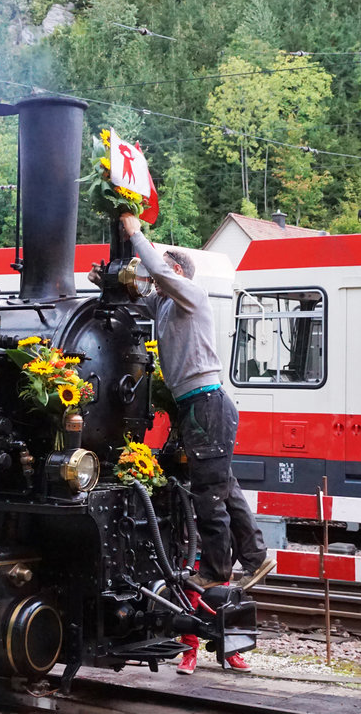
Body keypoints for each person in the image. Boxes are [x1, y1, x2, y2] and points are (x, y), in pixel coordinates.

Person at [112, 212, 273, 673]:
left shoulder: (191, 296)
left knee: (208, 492)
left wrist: (136, 234)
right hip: (195, 405)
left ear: (177, 273)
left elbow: (158, 273)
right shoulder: (164, 306)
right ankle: (256, 556)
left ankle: (218, 570)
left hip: (205, 401)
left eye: (159, 271)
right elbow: (139, 299)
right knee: (221, 482)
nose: (151, 277)